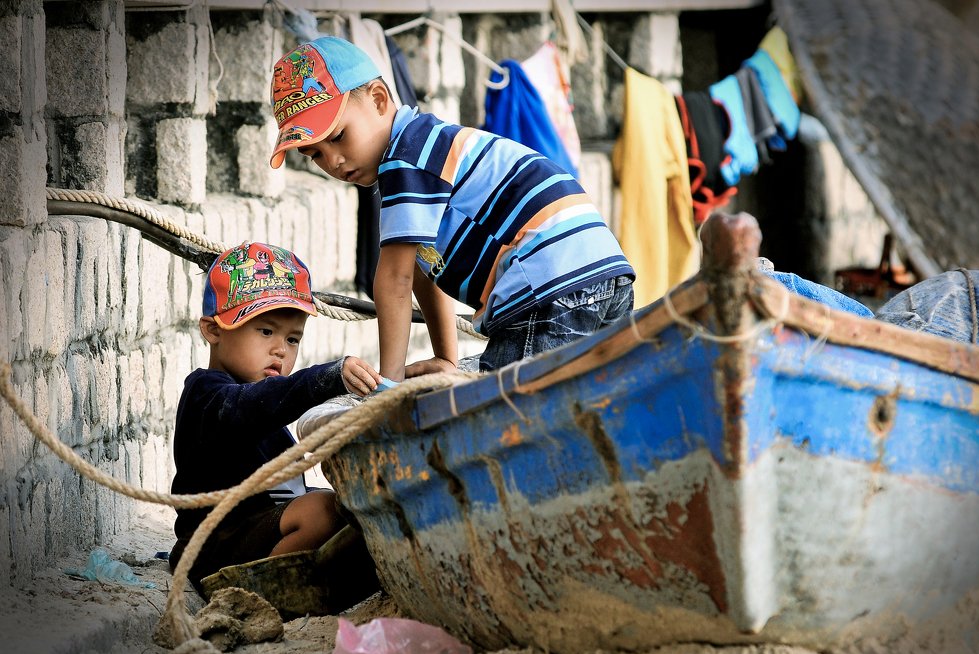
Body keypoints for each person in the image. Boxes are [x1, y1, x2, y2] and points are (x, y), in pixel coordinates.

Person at [267, 36, 636, 378]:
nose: (332, 162)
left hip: (550, 286)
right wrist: (446, 357)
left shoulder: (404, 159)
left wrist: (388, 385)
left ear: (380, 100)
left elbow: (394, 280)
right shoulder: (429, 145)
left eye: (338, 137)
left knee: (502, 411)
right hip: (602, 271)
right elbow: (423, 269)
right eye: (315, 154)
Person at [169, 240, 382, 594]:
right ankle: (259, 592)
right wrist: (323, 379)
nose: (281, 349)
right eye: (266, 331)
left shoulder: (266, 405)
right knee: (321, 511)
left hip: (261, 532)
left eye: (293, 338)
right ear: (214, 330)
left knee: (354, 509)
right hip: (214, 546)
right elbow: (256, 405)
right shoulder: (208, 395)